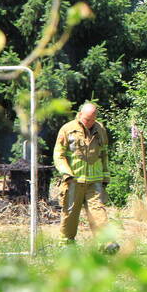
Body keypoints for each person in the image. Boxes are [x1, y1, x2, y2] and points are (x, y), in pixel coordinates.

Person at [53, 102, 113, 246]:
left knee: (98, 211)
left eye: (92, 119)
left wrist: (106, 176)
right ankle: (66, 244)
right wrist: (66, 173)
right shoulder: (67, 129)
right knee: (71, 213)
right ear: (80, 115)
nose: (89, 123)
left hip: (95, 181)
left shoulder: (100, 129)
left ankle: (105, 244)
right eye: (87, 119)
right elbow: (58, 154)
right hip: (74, 180)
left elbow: (104, 154)